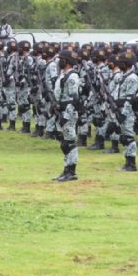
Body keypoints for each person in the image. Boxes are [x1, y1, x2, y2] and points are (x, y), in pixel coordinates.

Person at [53, 50, 81, 181]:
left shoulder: (73, 76)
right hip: (61, 110)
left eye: (61, 59)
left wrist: (67, 115)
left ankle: (72, 171)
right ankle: (65, 169)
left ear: (67, 61)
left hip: (68, 112)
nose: (59, 61)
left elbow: (74, 99)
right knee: (64, 143)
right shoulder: (63, 75)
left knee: (70, 142)